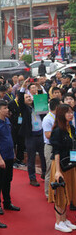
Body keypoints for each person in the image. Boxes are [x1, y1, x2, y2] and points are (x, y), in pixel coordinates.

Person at [48, 104, 76, 233]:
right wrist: (58, 171)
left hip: (70, 164)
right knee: (60, 193)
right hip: (59, 165)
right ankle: (58, 221)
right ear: (61, 114)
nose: (71, 114)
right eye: (68, 112)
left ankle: (64, 219)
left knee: (68, 191)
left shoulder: (71, 128)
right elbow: (56, 152)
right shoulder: (57, 130)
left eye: (71, 112)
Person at [0, 101, 20, 215]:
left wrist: (13, 152)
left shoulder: (7, 121)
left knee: (8, 180)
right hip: (0, 157)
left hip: (9, 155)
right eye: (5, 108)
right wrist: (0, 158)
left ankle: (7, 202)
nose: (7, 110)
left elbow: (8, 138)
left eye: (7, 108)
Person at [18, 78, 47, 186]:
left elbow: (41, 99)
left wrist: (39, 89)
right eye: (27, 97)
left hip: (41, 134)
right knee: (31, 158)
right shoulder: (24, 108)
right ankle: (32, 177)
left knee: (44, 156)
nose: (29, 98)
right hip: (30, 136)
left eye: (30, 96)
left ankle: (44, 173)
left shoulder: (37, 105)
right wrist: (23, 88)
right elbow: (20, 100)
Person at [42, 98, 60, 199]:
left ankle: (56, 191)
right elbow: (48, 135)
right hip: (50, 146)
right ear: (56, 107)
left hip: (58, 146)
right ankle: (48, 193)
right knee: (50, 169)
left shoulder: (58, 117)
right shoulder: (48, 119)